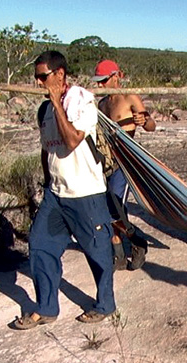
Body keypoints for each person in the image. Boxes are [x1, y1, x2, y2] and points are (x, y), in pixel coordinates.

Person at [12, 51, 116, 329]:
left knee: (98, 251)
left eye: (42, 76)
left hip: (86, 193)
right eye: (35, 77)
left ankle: (105, 304)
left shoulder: (82, 100)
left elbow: (71, 141)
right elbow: (47, 150)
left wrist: (57, 102)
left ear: (59, 75)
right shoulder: (43, 110)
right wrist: (48, 183)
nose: (37, 82)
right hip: (56, 194)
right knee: (40, 245)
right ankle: (46, 307)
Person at [92, 60, 156, 271]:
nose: (101, 85)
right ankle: (118, 253)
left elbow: (150, 126)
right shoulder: (102, 104)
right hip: (105, 163)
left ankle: (137, 241)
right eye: (99, 82)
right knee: (104, 207)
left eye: (104, 80)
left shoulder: (130, 97)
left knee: (115, 207)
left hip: (124, 162)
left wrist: (143, 120)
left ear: (116, 76)